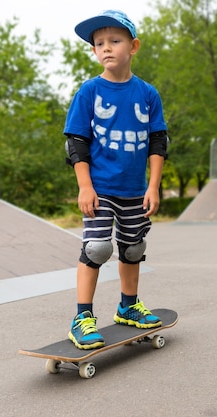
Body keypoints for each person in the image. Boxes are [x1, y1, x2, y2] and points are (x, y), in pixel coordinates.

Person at [63, 10, 169, 350]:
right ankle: (82, 318)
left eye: (115, 41)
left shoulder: (148, 94)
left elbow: (158, 141)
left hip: (135, 188)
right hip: (99, 187)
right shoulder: (90, 91)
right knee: (96, 248)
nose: (106, 48)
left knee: (134, 247)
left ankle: (128, 306)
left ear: (133, 46)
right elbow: (76, 141)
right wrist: (84, 185)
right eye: (99, 43)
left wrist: (153, 186)